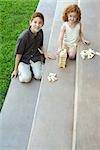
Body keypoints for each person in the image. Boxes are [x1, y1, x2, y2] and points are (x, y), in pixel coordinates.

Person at [11, 12, 51, 83]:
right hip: (24, 59)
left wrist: (45, 54)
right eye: (35, 22)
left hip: (35, 57)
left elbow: (40, 45)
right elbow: (19, 54)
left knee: (39, 76)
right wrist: (15, 69)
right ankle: (22, 70)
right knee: (26, 78)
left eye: (40, 23)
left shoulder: (40, 32)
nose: (37, 25)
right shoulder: (23, 37)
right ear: (30, 23)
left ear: (42, 24)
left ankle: (34, 68)